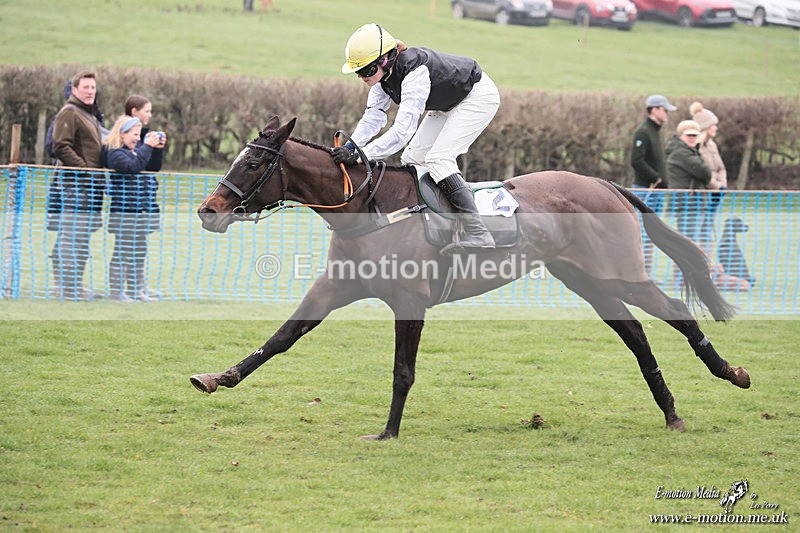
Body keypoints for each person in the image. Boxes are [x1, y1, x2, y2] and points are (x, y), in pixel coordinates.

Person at [332, 23, 500, 254]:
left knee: (439, 158)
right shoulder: (383, 80)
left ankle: (478, 232)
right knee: (413, 158)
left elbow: (402, 132)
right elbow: (373, 119)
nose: (362, 77)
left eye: (367, 70)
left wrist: (361, 156)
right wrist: (352, 146)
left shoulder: (414, 72)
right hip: (447, 103)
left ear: (386, 60)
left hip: (476, 98)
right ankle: (433, 225)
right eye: (358, 72)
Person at [50, 70, 104, 300]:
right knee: (71, 238)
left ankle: (75, 286)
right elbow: (60, 146)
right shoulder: (69, 112)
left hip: (91, 187)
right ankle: (66, 288)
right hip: (76, 185)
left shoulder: (88, 114)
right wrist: (85, 169)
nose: (90, 91)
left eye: (93, 87)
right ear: (74, 90)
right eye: (85, 87)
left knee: (81, 238)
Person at [104, 115, 167, 301]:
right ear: (122, 134)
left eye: (139, 134)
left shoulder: (136, 151)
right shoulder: (115, 153)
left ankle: (136, 290)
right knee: (123, 251)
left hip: (141, 211)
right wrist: (147, 146)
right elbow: (134, 167)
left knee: (139, 250)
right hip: (125, 212)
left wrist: (157, 150)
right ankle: (117, 292)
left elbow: (152, 167)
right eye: (134, 134)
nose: (138, 138)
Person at [630, 94, 676, 275]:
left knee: (651, 233)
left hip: (655, 191)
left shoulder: (655, 131)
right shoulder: (643, 132)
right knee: (641, 233)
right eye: (665, 110)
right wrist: (655, 177)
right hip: (645, 190)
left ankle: (646, 273)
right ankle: (639, 273)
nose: (667, 114)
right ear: (655, 109)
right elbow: (636, 161)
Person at [666, 120, 711, 246]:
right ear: (681, 135)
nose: (692, 138)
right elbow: (705, 171)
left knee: (689, 242)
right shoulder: (681, 153)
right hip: (688, 203)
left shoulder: (689, 151)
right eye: (689, 135)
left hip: (693, 202)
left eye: (695, 136)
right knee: (688, 243)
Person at [690, 101, 727, 250]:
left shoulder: (712, 145)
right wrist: (716, 186)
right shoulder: (696, 146)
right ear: (705, 126)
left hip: (716, 194)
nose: (716, 128)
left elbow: (721, 167)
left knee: (708, 233)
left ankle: (709, 265)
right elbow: (702, 172)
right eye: (713, 124)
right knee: (697, 232)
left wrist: (722, 185)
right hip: (703, 194)